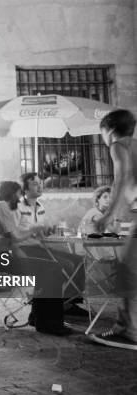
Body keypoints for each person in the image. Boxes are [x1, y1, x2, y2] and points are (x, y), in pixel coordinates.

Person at [0, 181, 72, 335]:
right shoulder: (1, 206)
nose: (21, 196)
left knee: (48, 267)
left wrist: (25, 250)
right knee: (53, 268)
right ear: (12, 193)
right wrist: (35, 228)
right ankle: (49, 324)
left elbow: (13, 239)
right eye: (19, 193)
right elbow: (17, 236)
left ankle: (38, 318)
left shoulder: (0, 207)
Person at [91, 109, 137, 350]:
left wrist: (108, 215)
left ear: (108, 130)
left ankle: (127, 329)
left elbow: (121, 178)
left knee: (128, 270)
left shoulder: (119, 145)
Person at [17, 172, 87, 317]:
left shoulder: (40, 207)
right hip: (25, 249)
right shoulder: (17, 207)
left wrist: (50, 231)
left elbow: (40, 234)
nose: (40, 186)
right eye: (35, 184)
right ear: (25, 189)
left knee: (79, 261)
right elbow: (15, 234)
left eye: (40, 183)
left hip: (40, 247)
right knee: (65, 264)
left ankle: (68, 303)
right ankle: (42, 307)